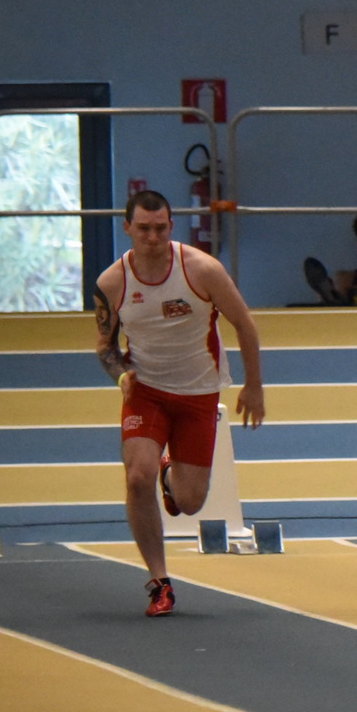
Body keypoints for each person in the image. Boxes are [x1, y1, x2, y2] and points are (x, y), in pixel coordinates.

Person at [94, 190, 266, 617]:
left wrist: (253, 387)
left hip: (198, 392)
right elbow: (105, 345)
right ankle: (160, 581)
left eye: (160, 228)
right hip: (146, 391)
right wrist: (120, 375)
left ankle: (170, 474)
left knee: (190, 502)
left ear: (171, 227)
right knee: (138, 476)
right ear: (127, 228)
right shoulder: (112, 283)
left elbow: (245, 324)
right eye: (143, 229)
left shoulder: (201, 270)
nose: (152, 237)